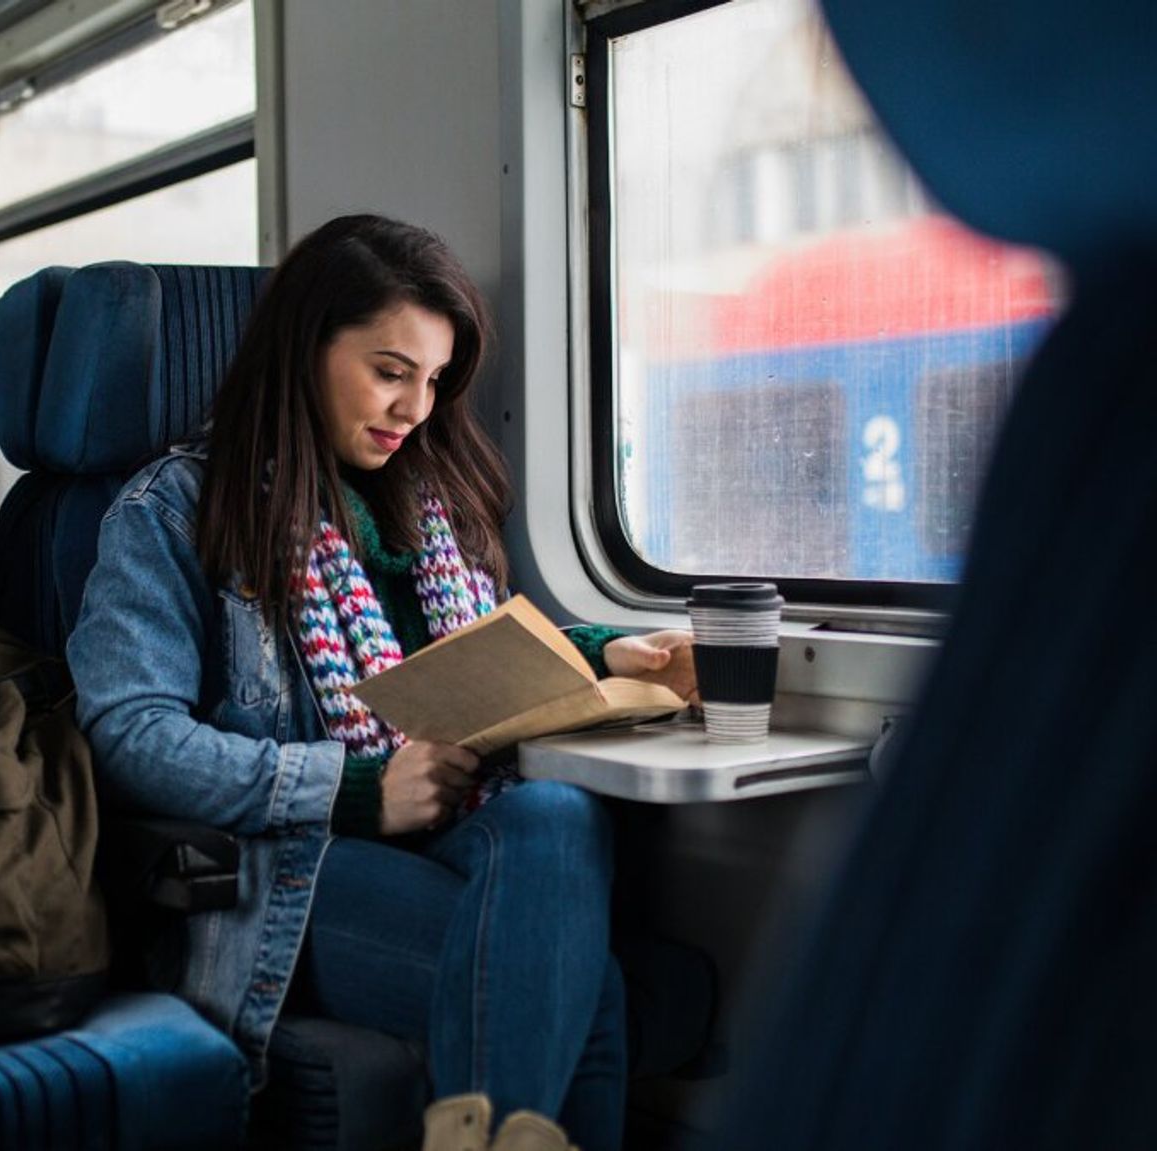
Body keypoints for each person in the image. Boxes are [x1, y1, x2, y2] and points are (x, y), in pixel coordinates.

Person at [67, 214, 697, 1151]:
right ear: (304, 350)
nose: (415, 409)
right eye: (391, 371)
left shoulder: (432, 504)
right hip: (287, 864)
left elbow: (480, 651)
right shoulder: (173, 511)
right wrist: (354, 789)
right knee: (589, 992)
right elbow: (129, 736)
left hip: (452, 829)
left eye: (435, 382)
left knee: (559, 813)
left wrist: (607, 649)